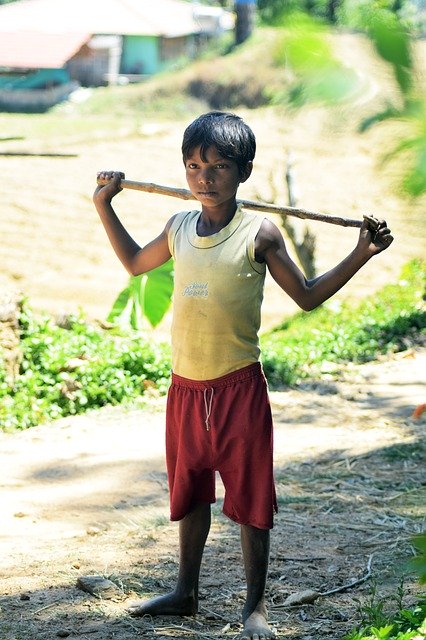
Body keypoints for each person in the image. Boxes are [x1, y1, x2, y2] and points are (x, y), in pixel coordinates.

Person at [93, 110, 393, 640]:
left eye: (218, 167)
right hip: (186, 385)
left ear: (244, 172)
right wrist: (104, 206)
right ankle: (186, 592)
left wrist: (361, 253)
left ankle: (255, 607)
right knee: (190, 494)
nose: (203, 179)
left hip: (238, 388)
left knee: (251, 501)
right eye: (193, 166)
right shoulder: (179, 225)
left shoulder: (260, 233)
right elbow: (137, 263)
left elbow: (306, 296)